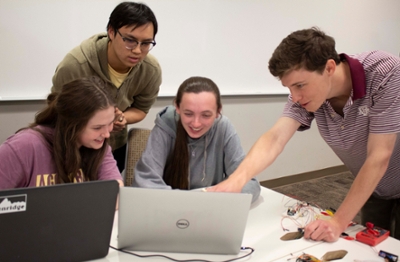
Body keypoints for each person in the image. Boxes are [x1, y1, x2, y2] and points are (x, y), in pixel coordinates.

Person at [208, 27, 400, 241]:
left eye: (300, 85)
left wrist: (337, 222)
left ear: (329, 67)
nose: (295, 97)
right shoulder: (308, 96)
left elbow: (379, 156)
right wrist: (237, 179)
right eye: (289, 88)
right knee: (374, 249)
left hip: (388, 174)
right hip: (373, 188)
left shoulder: (384, 72)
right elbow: (275, 138)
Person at [51, 2, 162, 173]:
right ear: (111, 31)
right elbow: (57, 113)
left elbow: (141, 109)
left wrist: (121, 118)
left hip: (114, 145)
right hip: (74, 146)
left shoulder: (150, 70)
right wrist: (100, 121)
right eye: (130, 41)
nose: (138, 51)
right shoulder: (75, 65)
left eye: (146, 43)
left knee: (110, 193)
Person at [132, 76, 261, 202]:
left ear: (218, 112)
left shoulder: (223, 127)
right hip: (170, 212)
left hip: (209, 210)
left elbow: (249, 182)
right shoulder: (165, 126)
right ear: (177, 107)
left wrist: (219, 198)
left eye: (205, 115)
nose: (196, 124)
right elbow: (145, 181)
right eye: (188, 114)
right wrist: (192, 203)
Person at [0, 76, 124, 189]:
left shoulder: (98, 145)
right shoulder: (23, 147)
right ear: (71, 125)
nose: (107, 134)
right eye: (97, 128)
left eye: (110, 123)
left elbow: (116, 193)